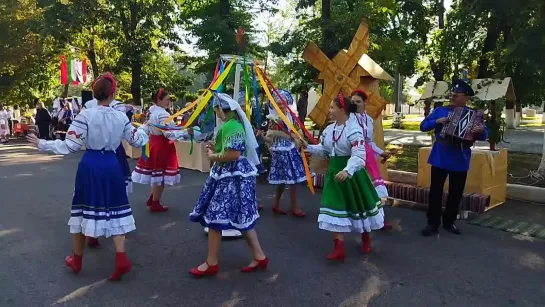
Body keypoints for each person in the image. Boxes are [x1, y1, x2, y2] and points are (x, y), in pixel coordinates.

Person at [26, 73, 149, 281]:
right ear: (113, 93)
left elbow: (71, 146)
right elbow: (137, 140)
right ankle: (121, 259)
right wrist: (145, 129)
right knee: (117, 208)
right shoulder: (120, 117)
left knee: (82, 210)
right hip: (112, 164)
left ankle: (77, 260)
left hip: (91, 165)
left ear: (94, 93)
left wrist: (43, 144)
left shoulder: (85, 116)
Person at [188, 92, 267, 277]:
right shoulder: (235, 124)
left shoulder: (231, 126)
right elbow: (229, 150)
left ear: (219, 109)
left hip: (230, 176)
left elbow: (232, 154)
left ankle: (211, 262)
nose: (215, 113)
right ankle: (259, 256)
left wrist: (212, 156)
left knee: (216, 215)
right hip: (234, 175)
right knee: (241, 217)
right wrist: (215, 148)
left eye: (215, 109)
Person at [304, 95, 384, 260]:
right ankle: (339, 247)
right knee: (334, 206)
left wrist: (348, 170)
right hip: (334, 174)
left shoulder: (354, 130)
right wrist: (308, 147)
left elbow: (359, 155)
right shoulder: (329, 129)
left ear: (342, 110)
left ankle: (366, 237)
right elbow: (325, 150)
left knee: (359, 205)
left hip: (352, 174)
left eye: (332, 108)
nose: (330, 111)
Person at [420, 80, 488, 236]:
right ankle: (432, 223)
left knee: (456, 193)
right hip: (440, 157)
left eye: (457, 95)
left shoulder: (473, 114)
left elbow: (484, 135)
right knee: (435, 192)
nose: (453, 97)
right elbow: (423, 126)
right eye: (452, 94)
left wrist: (481, 129)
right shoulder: (440, 110)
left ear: (466, 98)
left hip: (460, 158)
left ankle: (449, 222)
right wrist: (435, 121)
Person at [132, 88, 194, 213]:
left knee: (157, 173)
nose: (169, 102)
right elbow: (169, 134)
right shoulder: (163, 114)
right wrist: (185, 132)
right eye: (167, 99)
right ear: (159, 100)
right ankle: (155, 202)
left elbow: (147, 127)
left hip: (153, 143)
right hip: (162, 146)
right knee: (160, 175)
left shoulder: (151, 111)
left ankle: (153, 198)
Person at [259, 89, 306, 217]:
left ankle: (280, 204)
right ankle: (289, 206)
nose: (280, 105)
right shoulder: (274, 119)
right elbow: (270, 138)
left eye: (283, 103)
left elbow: (298, 134)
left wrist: (299, 139)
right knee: (289, 180)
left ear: (287, 103)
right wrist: (263, 137)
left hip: (291, 150)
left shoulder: (291, 117)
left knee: (288, 180)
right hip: (281, 152)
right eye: (278, 103)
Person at [351, 89, 393, 230]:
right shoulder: (348, 119)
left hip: (368, 157)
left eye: (358, 101)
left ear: (365, 103)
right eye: (353, 102)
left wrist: (382, 153)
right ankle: (358, 221)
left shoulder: (368, 119)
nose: (355, 104)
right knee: (358, 190)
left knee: (376, 188)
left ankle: (379, 219)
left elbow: (369, 142)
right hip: (353, 156)